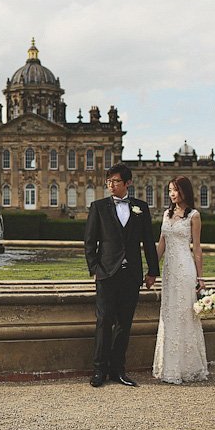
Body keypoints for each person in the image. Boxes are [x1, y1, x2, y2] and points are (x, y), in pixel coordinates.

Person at [84, 163, 159, 387]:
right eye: (108, 181)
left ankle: (118, 370)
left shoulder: (141, 208)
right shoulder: (98, 207)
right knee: (104, 321)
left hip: (132, 274)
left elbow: (148, 242)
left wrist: (152, 271)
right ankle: (99, 370)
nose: (111, 185)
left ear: (128, 183)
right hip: (107, 273)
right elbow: (89, 241)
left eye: (116, 181)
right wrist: (95, 269)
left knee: (124, 324)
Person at [152, 175, 209, 383]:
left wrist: (200, 277)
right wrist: (151, 269)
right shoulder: (167, 215)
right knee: (169, 314)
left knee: (184, 315)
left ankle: (187, 367)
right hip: (169, 271)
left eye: (175, 190)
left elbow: (197, 248)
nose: (172, 194)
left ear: (185, 191)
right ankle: (168, 366)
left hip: (185, 270)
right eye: (169, 190)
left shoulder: (194, 215)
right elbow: (161, 245)